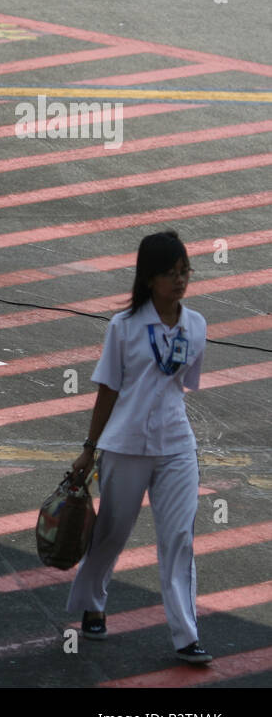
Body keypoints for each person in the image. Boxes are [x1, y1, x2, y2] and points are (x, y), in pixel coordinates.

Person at [67, 230, 212, 663]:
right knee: (112, 531)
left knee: (180, 537)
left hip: (175, 445)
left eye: (185, 271)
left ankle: (186, 634)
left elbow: (183, 384)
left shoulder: (197, 326)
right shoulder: (124, 327)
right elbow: (108, 390)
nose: (181, 281)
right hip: (125, 445)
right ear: (150, 279)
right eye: (171, 273)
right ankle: (93, 603)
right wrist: (89, 448)